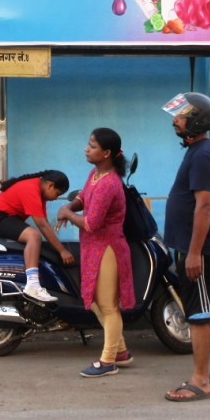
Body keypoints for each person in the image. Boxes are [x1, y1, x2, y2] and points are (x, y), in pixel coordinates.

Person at [161, 92, 210, 401]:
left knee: (200, 315)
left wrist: (193, 253)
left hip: (201, 251)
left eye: (181, 116)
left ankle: (201, 380)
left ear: (197, 121)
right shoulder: (198, 151)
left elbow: (204, 207)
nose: (175, 120)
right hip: (204, 249)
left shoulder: (203, 154)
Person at [56, 128, 135, 377]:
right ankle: (120, 352)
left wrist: (67, 214)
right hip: (93, 247)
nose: (86, 149)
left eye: (92, 145)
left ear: (107, 153)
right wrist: (71, 205)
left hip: (108, 248)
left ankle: (109, 361)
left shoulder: (109, 183)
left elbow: (91, 223)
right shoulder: (96, 173)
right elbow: (83, 196)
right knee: (97, 302)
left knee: (108, 306)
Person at [0, 170, 73, 302]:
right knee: (33, 236)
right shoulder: (30, 189)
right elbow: (42, 225)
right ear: (50, 185)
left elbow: (45, 223)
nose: (55, 198)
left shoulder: (38, 191)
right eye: (57, 194)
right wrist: (62, 251)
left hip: (8, 219)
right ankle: (32, 284)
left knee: (37, 240)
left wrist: (58, 247)